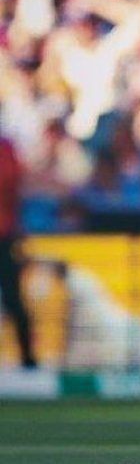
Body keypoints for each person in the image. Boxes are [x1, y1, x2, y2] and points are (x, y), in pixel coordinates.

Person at [0, 135, 36, 369]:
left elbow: (15, 189)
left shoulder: (6, 148)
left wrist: (18, 227)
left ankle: (28, 360)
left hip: (4, 235)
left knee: (13, 299)